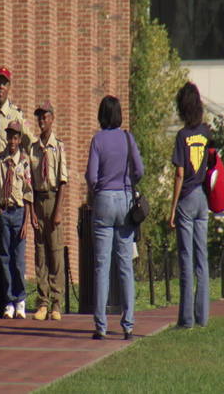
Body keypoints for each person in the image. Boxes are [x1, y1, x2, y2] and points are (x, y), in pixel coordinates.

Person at [0, 66, 35, 317]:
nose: (0, 86)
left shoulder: (15, 114)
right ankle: (0, 301)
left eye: (4, 83)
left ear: (9, 87)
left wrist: (23, 163)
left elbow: (30, 140)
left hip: (14, 188)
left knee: (15, 254)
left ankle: (14, 300)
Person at [86, 95, 144, 340]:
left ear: (101, 115)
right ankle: (128, 324)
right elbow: (140, 170)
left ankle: (100, 325)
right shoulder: (128, 138)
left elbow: (90, 175)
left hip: (104, 201)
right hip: (125, 199)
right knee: (125, 266)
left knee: (101, 265)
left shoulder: (98, 140)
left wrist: (98, 187)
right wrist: (129, 184)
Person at [169, 81, 211, 329]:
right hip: (202, 199)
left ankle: (186, 319)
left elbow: (179, 174)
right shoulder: (206, 132)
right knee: (201, 259)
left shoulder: (182, 136)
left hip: (185, 199)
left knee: (186, 259)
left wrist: (172, 208)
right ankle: (203, 316)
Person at [28, 101, 68, 321]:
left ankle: (56, 302)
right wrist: (33, 210)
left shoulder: (58, 146)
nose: (41, 121)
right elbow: (31, 181)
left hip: (53, 199)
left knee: (55, 253)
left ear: (52, 118)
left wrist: (59, 210)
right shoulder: (33, 148)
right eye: (39, 118)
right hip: (38, 199)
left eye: (45, 117)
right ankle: (42, 302)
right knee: (40, 253)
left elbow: (63, 180)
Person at [0, 120, 33, 319]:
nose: (12, 141)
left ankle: (20, 299)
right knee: (5, 258)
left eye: (15, 137)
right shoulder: (1, 161)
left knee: (18, 260)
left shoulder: (24, 161)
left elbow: (28, 193)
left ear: (20, 140)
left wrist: (26, 221)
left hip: (19, 212)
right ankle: (9, 301)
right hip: (5, 211)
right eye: (9, 136)